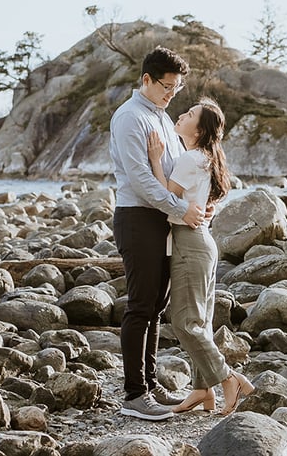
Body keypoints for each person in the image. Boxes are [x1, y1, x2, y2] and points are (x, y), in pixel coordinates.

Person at [109, 45, 205, 421]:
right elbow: (142, 181)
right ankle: (134, 395)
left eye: (177, 88)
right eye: (166, 85)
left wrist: (197, 205)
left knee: (156, 307)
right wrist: (182, 210)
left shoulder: (162, 117)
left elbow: (172, 175)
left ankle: (149, 383)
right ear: (146, 79)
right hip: (137, 217)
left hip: (163, 219)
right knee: (139, 306)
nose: (170, 93)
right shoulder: (130, 117)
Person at [147, 96, 255, 415]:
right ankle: (201, 390)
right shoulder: (203, 157)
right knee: (201, 323)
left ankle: (228, 378)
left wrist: (155, 159)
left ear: (200, 129)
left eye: (191, 114)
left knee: (184, 322)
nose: (183, 114)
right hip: (202, 242)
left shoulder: (191, 157)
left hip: (190, 243)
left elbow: (165, 196)